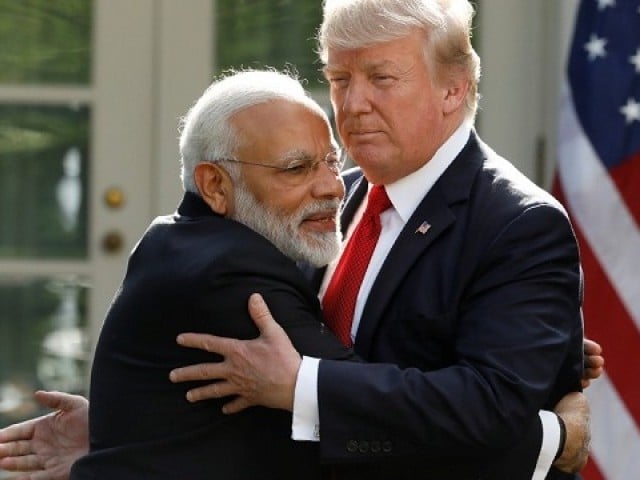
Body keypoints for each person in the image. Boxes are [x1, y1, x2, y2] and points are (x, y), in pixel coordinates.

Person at [166, 1, 595, 479]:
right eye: (339, 79)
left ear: (453, 89)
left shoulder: (521, 224)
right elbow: (234, 353)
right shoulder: (331, 194)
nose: (352, 104)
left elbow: (490, 409)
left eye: (381, 78)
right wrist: (116, 432)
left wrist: (303, 387)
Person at [14, 69, 357, 480]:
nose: (333, 187)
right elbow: (360, 408)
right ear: (214, 184)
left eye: (333, 161)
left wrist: (120, 430)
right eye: (296, 168)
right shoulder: (232, 270)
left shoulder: (173, 237)